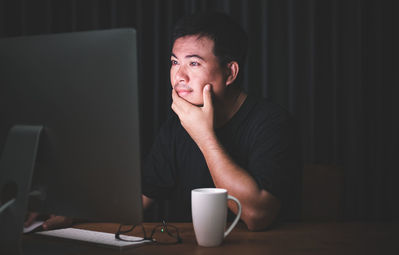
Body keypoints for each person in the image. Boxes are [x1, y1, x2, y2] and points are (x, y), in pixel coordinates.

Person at [25, 11, 301, 231]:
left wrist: (203, 136)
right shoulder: (177, 124)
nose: (179, 76)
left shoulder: (271, 122)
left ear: (230, 73)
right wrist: (72, 209)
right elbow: (137, 201)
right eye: (173, 62)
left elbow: (257, 216)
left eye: (193, 64)